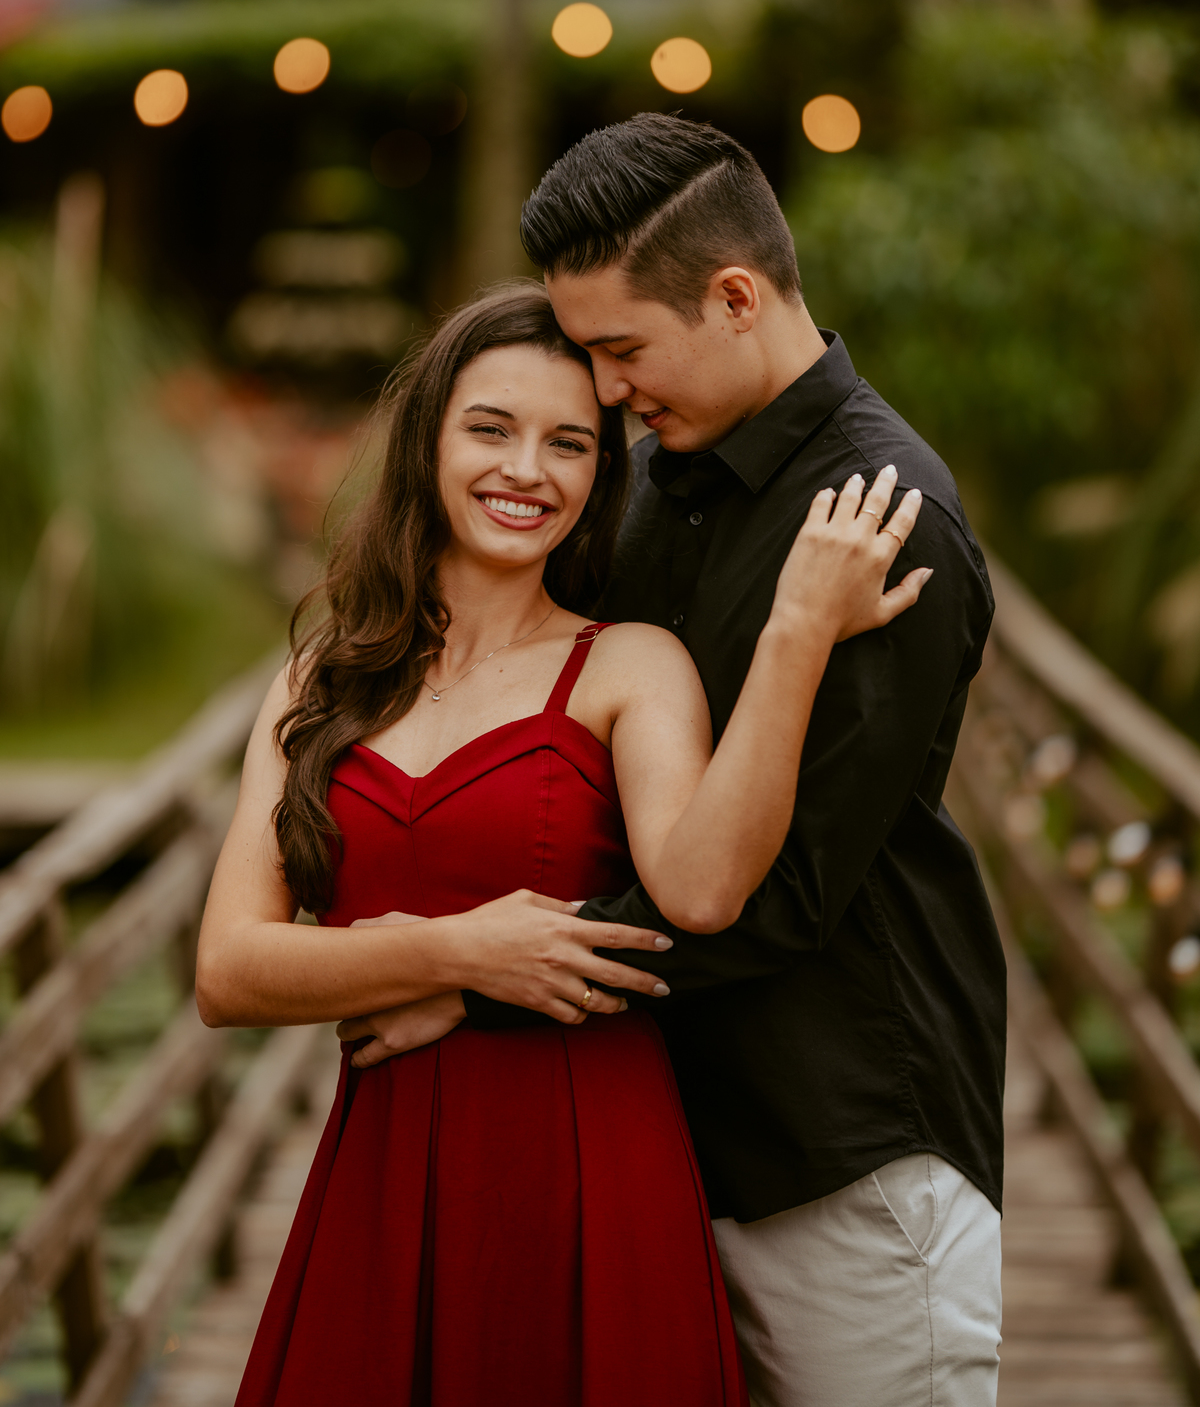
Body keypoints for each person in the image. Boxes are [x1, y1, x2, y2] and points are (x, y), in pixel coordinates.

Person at [196, 281, 926, 1407]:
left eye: (570, 443)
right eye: (491, 429)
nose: (526, 471)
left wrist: (797, 633)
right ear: (427, 440)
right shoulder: (321, 680)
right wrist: (459, 953)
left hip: (591, 1166)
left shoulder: (631, 664)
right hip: (383, 1184)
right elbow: (230, 971)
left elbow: (705, 889)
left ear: (600, 479)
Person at [449, 115, 1007, 1407]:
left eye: (620, 350)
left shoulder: (884, 517)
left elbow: (788, 895)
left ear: (736, 297)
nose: (601, 389)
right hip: (669, 1142)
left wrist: (483, 983)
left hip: (846, 1164)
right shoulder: (654, 478)